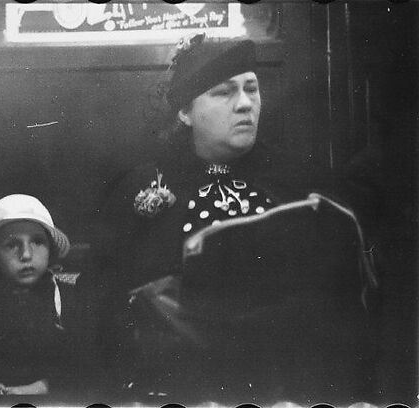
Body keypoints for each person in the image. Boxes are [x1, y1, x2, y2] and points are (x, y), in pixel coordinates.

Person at [80, 34, 374, 403]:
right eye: (224, 93)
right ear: (185, 112)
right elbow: (102, 300)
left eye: (251, 89)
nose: (245, 104)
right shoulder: (140, 186)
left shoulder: (301, 183)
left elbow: (341, 302)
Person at [0, 194, 97, 398]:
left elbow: (90, 365)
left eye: (37, 242)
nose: (26, 255)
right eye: (12, 245)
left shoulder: (71, 300)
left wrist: (43, 387)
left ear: (50, 249)